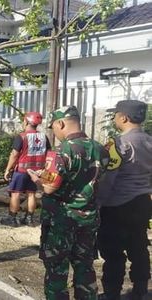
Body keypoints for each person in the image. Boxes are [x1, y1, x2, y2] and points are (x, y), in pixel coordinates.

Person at [26, 106, 109, 300]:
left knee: (57, 270)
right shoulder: (100, 149)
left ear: (60, 123)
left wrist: (37, 178)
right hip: (88, 219)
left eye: (53, 126)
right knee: (85, 266)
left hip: (61, 221)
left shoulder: (62, 151)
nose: (53, 131)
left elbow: (49, 187)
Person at [96, 100, 151, 300]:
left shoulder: (118, 144)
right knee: (139, 246)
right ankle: (141, 289)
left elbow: (108, 179)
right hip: (143, 203)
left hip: (117, 205)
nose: (114, 118)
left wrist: (98, 203)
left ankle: (112, 293)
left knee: (113, 251)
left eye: (115, 115)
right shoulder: (149, 141)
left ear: (123, 118)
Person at [1, 112, 50, 227]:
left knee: (15, 194)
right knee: (32, 194)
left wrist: (8, 169)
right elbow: (48, 154)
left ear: (26, 121)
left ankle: (12, 218)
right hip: (36, 171)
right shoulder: (44, 137)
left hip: (21, 171)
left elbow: (14, 154)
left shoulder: (21, 136)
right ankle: (29, 219)